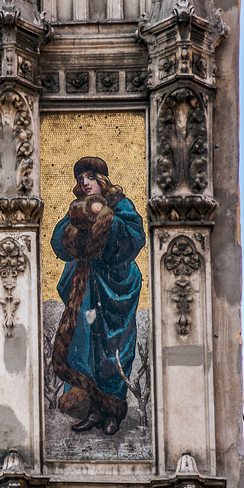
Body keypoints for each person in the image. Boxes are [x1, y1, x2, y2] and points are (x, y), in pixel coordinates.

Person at [50, 157, 145, 436]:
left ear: (101, 180)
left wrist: (105, 218)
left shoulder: (120, 205)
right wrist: (76, 225)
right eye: (81, 179)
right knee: (87, 344)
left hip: (117, 287)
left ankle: (113, 410)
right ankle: (94, 408)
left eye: (90, 177)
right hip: (87, 288)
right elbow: (60, 242)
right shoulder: (76, 209)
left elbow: (134, 237)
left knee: (115, 346)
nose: (85, 183)